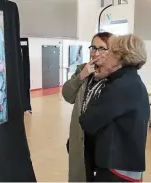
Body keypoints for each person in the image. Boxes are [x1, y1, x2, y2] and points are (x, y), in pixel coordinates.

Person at [79, 34, 150, 182]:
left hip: (116, 167)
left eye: (110, 52)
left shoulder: (119, 86)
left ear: (119, 57)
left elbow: (88, 121)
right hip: (128, 163)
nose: (105, 56)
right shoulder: (133, 81)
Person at [62, 32, 113, 182]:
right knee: (82, 174)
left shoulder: (115, 75)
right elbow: (67, 95)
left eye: (102, 48)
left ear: (111, 51)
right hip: (81, 136)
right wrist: (81, 76)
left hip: (103, 139)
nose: (96, 53)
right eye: (93, 48)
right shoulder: (83, 70)